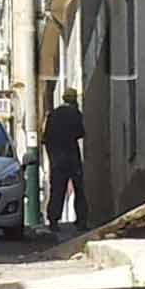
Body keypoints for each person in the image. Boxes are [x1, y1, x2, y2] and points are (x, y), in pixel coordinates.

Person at [40, 91, 87, 232]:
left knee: (57, 190)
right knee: (79, 188)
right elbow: (81, 132)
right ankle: (81, 220)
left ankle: (53, 220)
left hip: (57, 159)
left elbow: (45, 138)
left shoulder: (53, 114)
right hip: (72, 156)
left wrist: (52, 155)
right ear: (74, 100)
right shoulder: (75, 114)